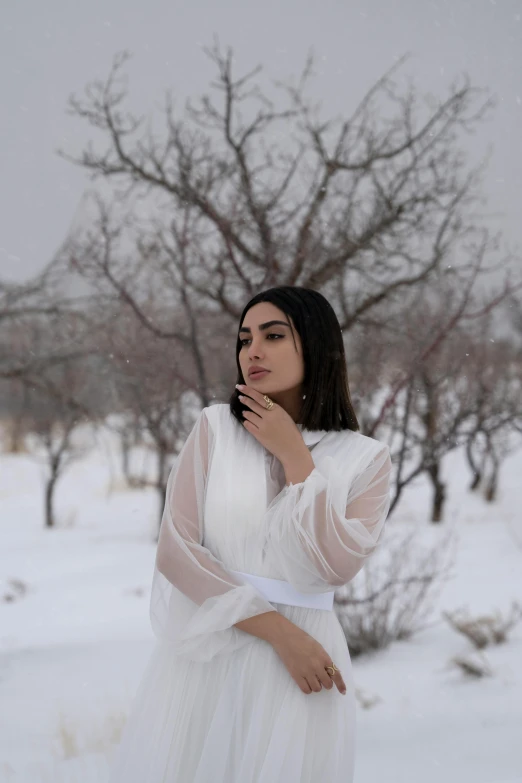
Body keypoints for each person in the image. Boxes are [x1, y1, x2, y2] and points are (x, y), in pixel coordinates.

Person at [109, 285, 392, 783]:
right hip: (212, 652)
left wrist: (298, 459)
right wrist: (279, 633)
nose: (252, 351)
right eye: (244, 339)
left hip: (304, 669)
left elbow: (334, 568)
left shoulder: (366, 459)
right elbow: (176, 552)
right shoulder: (216, 428)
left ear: (317, 344)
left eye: (274, 335)